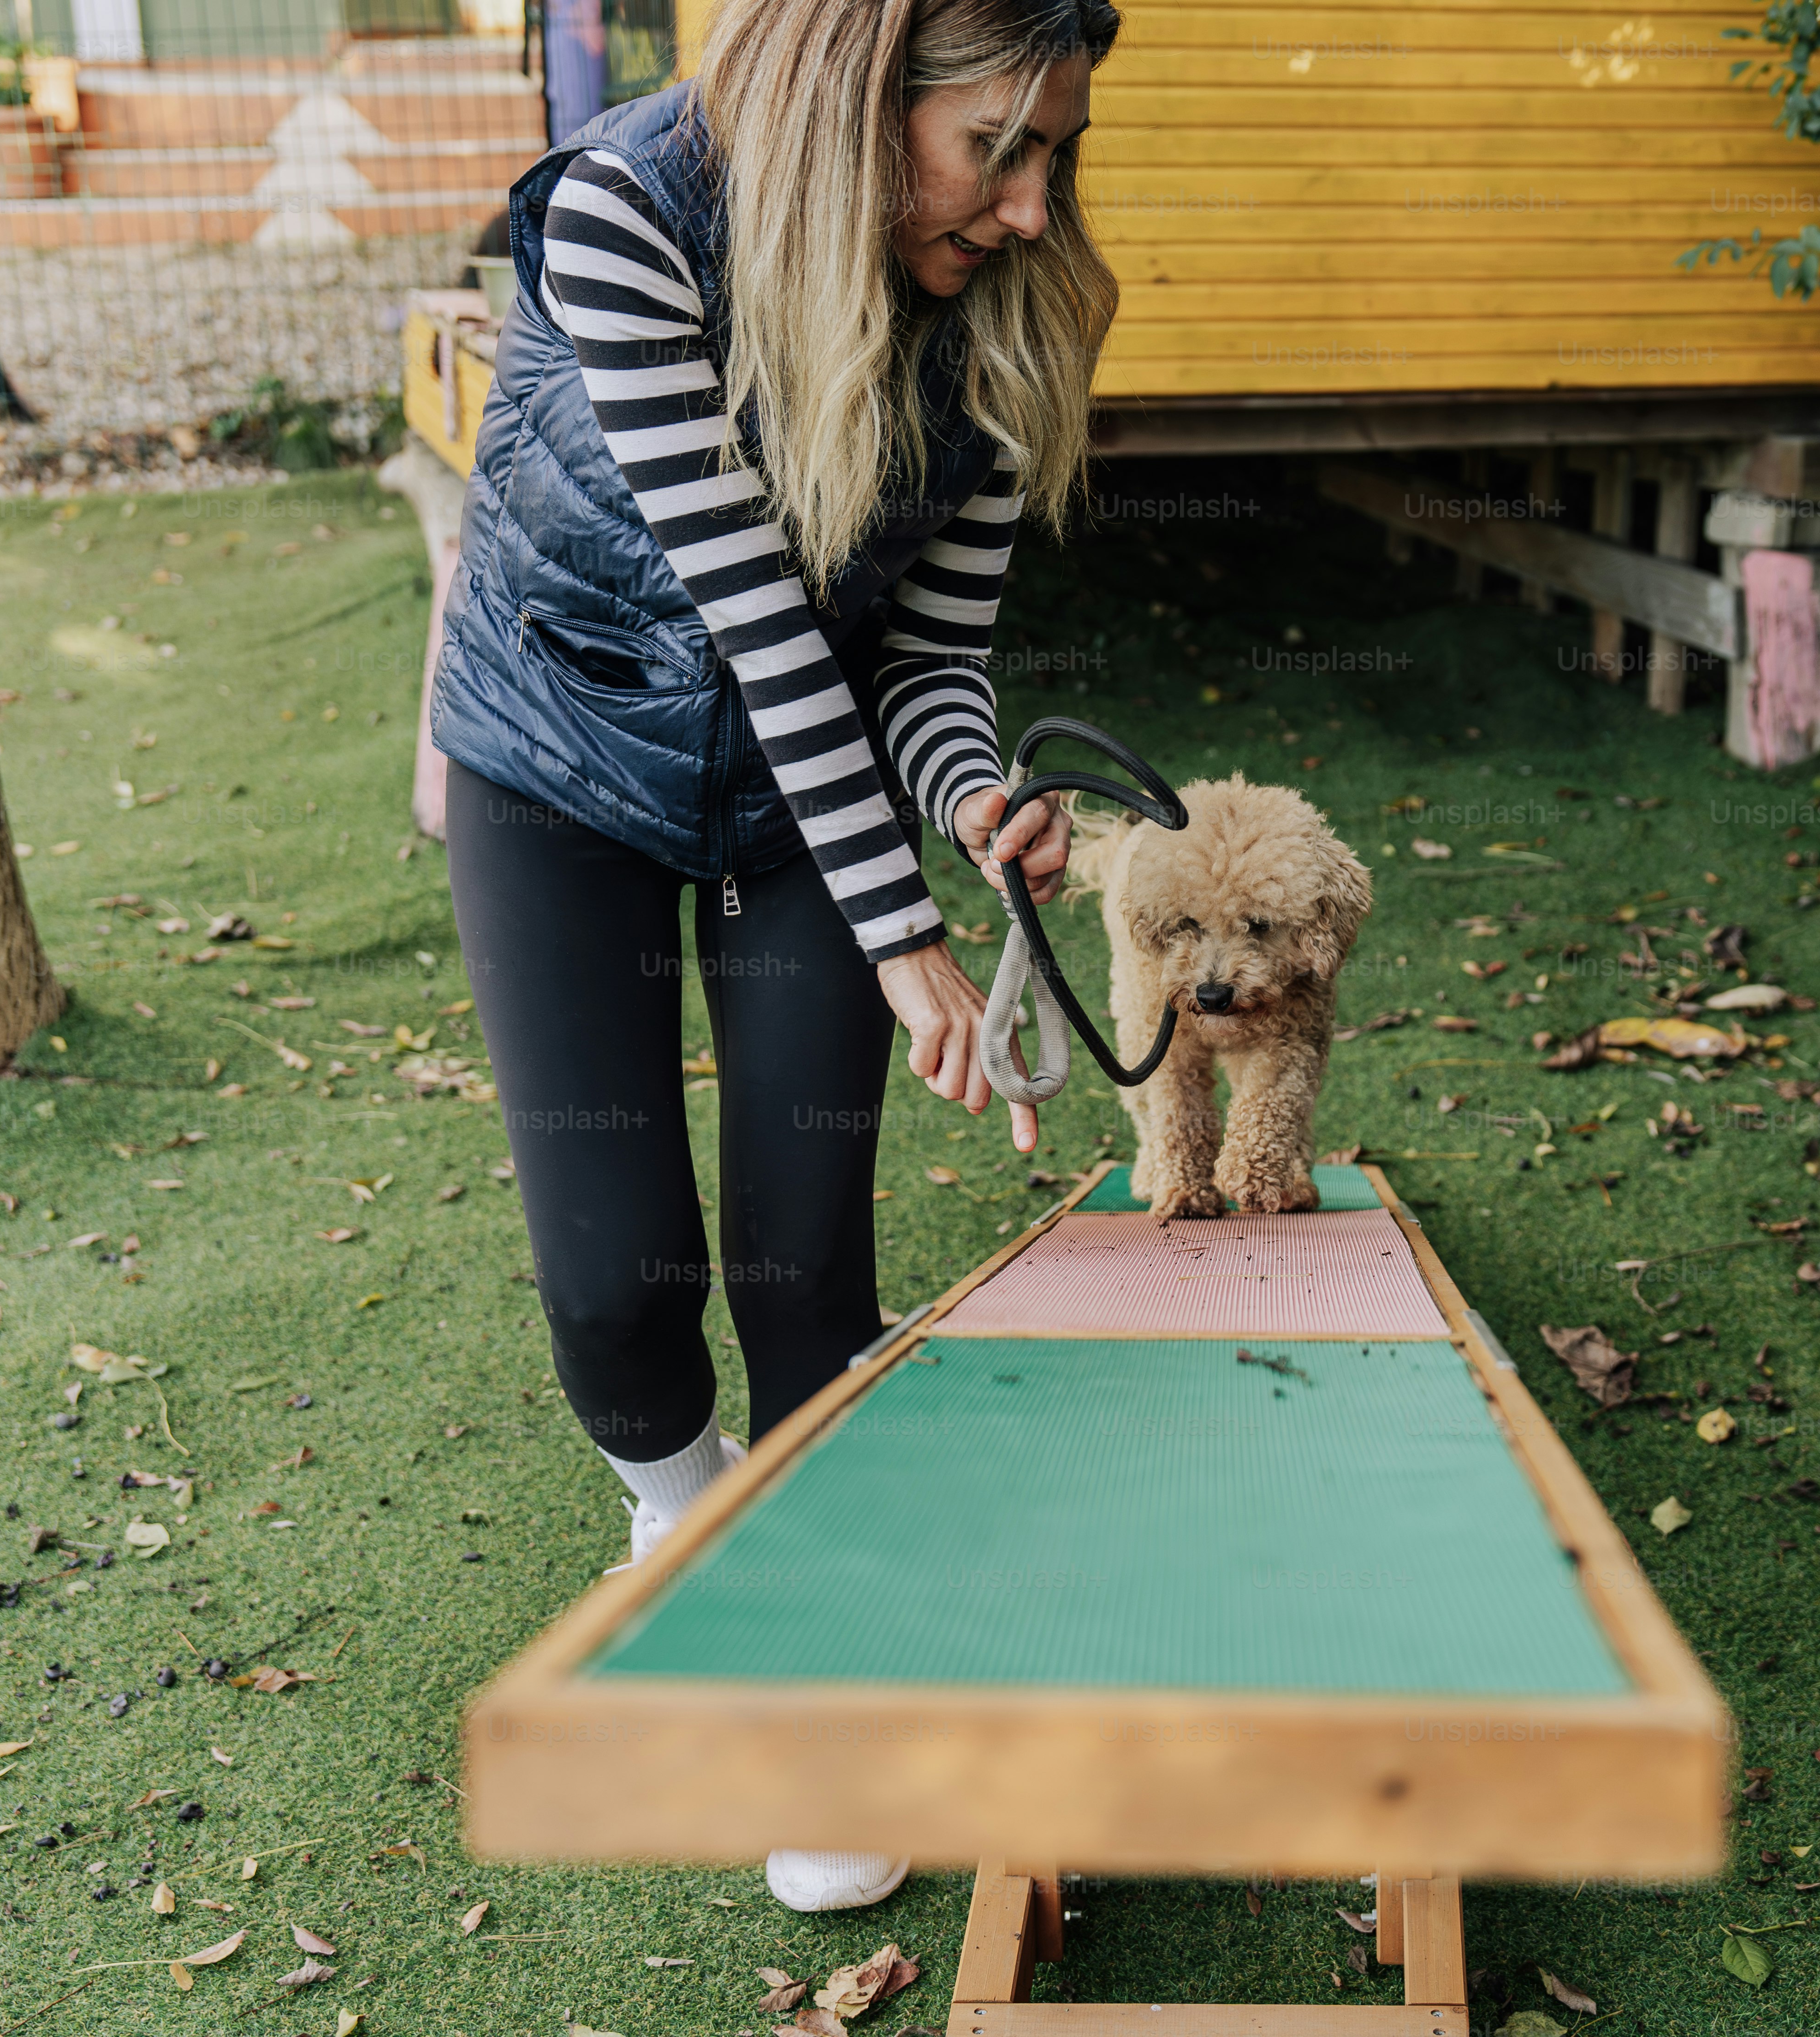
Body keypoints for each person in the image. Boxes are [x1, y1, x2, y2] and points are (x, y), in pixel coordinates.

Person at [426, 0, 1120, 1912]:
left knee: (809, 1264)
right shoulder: (626, 219)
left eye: (1057, 146)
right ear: (857, 95)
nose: (1037, 204)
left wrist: (970, 807)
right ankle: (679, 1499)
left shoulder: (1004, 313)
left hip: (799, 815)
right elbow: (747, 599)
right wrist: (906, 929)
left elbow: (926, 664)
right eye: (999, 146)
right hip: (557, 768)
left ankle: (821, 1711)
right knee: (607, 1286)